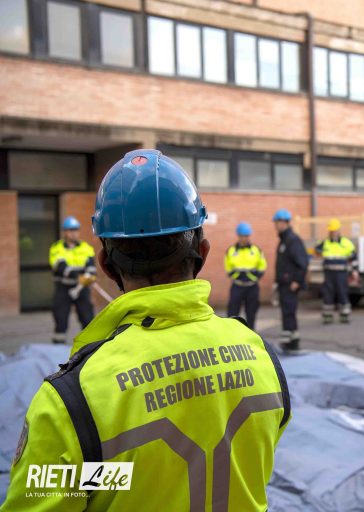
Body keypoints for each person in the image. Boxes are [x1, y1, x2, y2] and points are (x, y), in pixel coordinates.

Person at [2, 150, 290, 511]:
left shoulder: (72, 400)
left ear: (106, 265)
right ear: (202, 252)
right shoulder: (262, 357)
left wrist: (117, 474)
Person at [49, 216, 96, 344]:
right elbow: (60, 267)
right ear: (65, 232)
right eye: (70, 230)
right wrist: (78, 276)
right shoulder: (56, 248)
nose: (74, 233)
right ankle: (58, 347)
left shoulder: (86, 248)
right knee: (60, 318)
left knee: (87, 318)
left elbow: (91, 267)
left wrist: (89, 276)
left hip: (82, 288)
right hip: (63, 288)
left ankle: (88, 346)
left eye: (76, 229)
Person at [273, 208, 308, 352]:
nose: (275, 225)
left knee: (289, 312)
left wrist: (297, 281)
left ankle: (292, 343)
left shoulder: (292, 240)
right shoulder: (284, 240)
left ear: (284, 222)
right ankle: (290, 340)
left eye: (277, 222)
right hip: (284, 284)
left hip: (290, 284)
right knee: (287, 312)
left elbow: (302, 262)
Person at [225, 221, 267, 330]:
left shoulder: (256, 250)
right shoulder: (231, 251)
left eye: (246, 236)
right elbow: (228, 267)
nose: (245, 238)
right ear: (238, 236)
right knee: (232, 313)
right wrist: (238, 276)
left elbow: (262, 266)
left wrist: (253, 277)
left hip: (252, 286)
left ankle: (251, 333)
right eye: (242, 236)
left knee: (251, 313)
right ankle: (232, 334)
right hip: (237, 286)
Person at [315, 218, 357, 324]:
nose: (332, 233)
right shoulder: (325, 242)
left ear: (338, 230)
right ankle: (327, 316)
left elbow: (354, 256)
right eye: (331, 231)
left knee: (342, 292)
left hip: (341, 273)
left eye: (334, 231)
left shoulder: (346, 242)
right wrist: (319, 250)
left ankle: (344, 314)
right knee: (328, 294)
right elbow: (317, 249)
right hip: (329, 273)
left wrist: (354, 270)